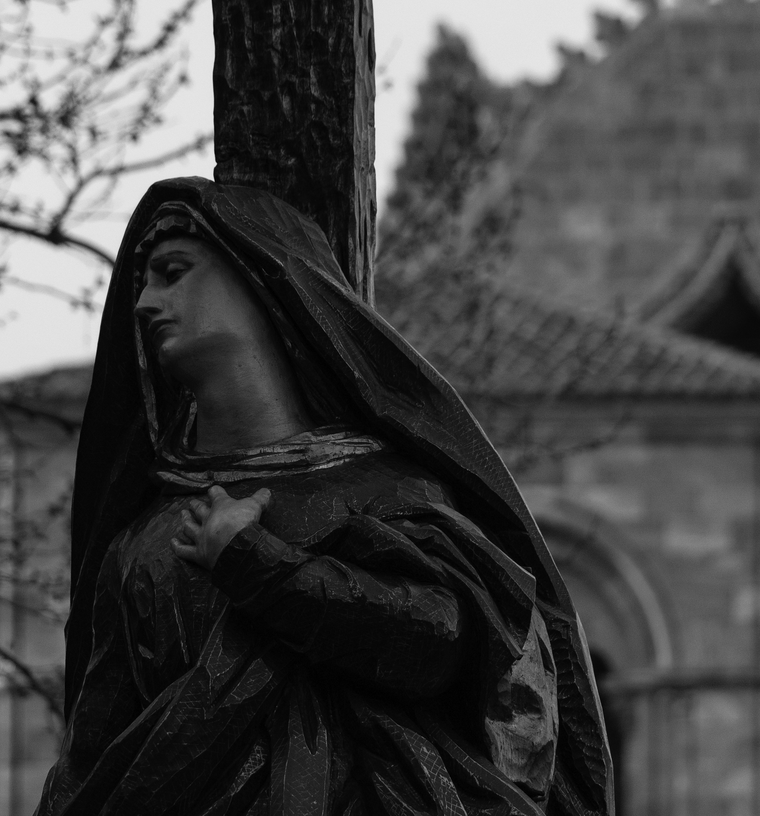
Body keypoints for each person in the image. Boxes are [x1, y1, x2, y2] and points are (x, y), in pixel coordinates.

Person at [35, 177, 613, 816]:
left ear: (260, 277)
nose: (144, 303)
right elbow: (92, 757)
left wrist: (258, 566)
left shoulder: (383, 492)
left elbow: (439, 640)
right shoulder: (141, 543)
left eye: (173, 272)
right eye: (144, 281)